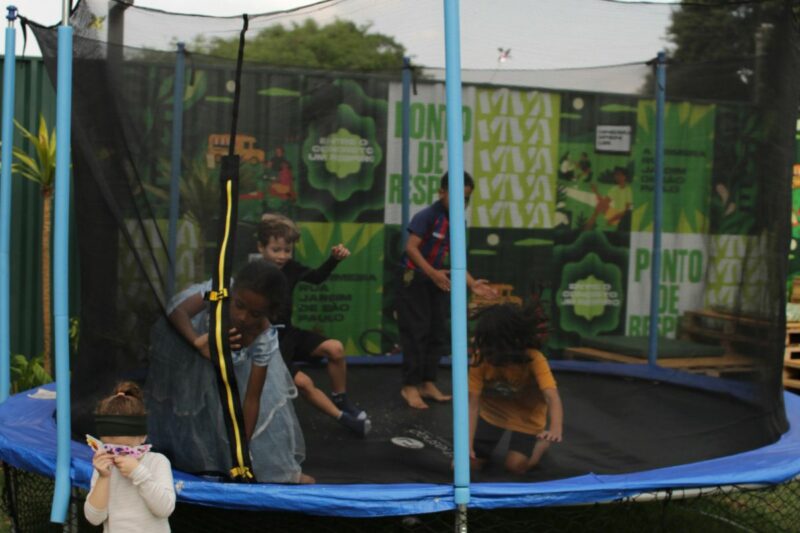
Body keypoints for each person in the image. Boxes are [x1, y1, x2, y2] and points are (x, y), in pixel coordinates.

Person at [146, 259, 312, 484]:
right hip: (190, 346)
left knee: (225, 411)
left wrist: (241, 448)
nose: (243, 318)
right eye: (240, 305)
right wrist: (197, 341)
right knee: (192, 408)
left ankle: (229, 464)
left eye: (255, 314)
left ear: (268, 313)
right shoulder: (217, 294)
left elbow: (252, 399)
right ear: (233, 294)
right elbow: (179, 312)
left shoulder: (263, 339)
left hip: (234, 367)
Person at [256, 214, 370, 436]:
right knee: (305, 383)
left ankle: (341, 400)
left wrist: (334, 259)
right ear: (261, 248)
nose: (282, 256)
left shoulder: (291, 268)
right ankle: (344, 419)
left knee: (335, 348)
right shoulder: (255, 275)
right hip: (268, 342)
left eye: (287, 251)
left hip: (288, 333)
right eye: (275, 250)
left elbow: (317, 277)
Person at [397, 171, 497, 409]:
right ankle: (409, 386)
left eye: (466, 199)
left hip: (439, 278)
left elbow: (457, 258)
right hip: (415, 279)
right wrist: (432, 273)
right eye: (457, 197)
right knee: (416, 332)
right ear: (442, 192)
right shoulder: (427, 216)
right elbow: (411, 248)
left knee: (438, 332)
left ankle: (427, 382)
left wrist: (473, 284)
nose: (461, 203)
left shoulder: (456, 221)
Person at [468, 304, 563, 474]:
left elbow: (551, 396)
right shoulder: (482, 358)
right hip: (492, 413)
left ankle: (541, 446)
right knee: (469, 465)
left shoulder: (534, 358)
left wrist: (555, 428)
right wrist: (466, 448)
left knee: (515, 466)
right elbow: (472, 404)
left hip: (527, 416)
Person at [84, 381, 176, 532]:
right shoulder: (105, 468)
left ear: (142, 437)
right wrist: (103, 478)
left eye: (125, 449)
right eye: (110, 449)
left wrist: (138, 472)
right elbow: (94, 518)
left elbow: (165, 509)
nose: (118, 455)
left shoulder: (157, 462)